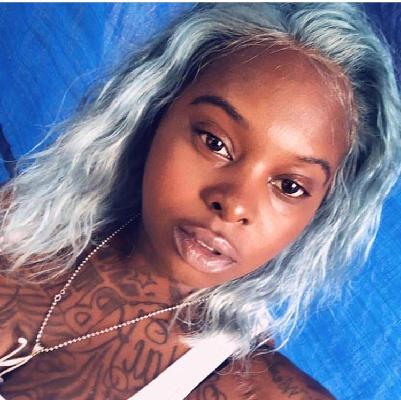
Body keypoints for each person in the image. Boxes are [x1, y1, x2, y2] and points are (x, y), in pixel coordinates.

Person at [0, 3, 400, 399]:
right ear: (157, 108)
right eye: (215, 142)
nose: (234, 204)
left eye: (289, 186)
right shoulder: (19, 221)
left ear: (321, 214)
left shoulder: (265, 392)